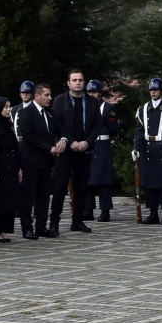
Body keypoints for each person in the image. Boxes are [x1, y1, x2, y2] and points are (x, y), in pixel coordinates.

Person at [50, 70, 97, 233]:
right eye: (74, 80)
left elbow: (97, 125)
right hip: (66, 150)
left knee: (81, 186)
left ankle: (77, 220)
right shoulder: (59, 101)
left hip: (84, 150)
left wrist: (87, 142)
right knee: (60, 187)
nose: (78, 83)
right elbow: (56, 124)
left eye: (80, 80)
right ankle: (54, 222)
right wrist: (70, 142)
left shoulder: (92, 102)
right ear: (68, 83)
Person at [15, 82, 64, 238]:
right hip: (30, 162)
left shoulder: (50, 113)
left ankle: (41, 227)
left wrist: (62, 139)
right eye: (46, 95)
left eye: (50, 95)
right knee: (28, 197)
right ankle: (27, 228)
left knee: (43, 197)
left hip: (47, 162)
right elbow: (29, 137)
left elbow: (60, 129)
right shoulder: (26, 113)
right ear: (37, 96)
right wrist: (49, 148)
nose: (50, 98)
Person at [133, 76, 162, 224]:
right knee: (150, 184)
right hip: (148, 148)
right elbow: (139, 131)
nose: (153, 92)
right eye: (151, 89)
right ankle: (153, 213)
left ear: (161, 91)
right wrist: (136, 148)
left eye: (155, 89)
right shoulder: (143, 109)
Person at [84, 78, 121, 222]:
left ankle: (105, 211)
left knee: (104, 180)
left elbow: (113, 128)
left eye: (94, 91)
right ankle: (88, 209)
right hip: (88, 145)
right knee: (87, 179)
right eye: (90, 91)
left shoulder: (107, 108)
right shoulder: (83, 106)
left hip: (102, 145)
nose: (92, 94)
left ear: (99, 93)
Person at [0, 96, 23, 243]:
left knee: (9, 200)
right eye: (5, 107)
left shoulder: (8, 123)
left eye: (9, 106)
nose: (9, 109)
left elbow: (14, 146)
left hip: (11, 166)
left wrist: (19, 167)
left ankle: (5, 229)